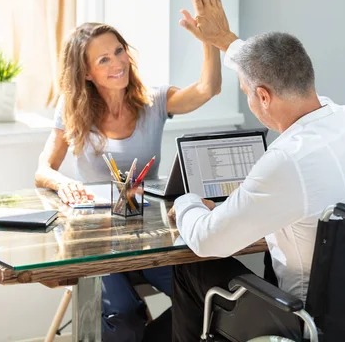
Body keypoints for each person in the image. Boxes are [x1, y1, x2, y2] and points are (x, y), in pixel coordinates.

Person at [170, 0, 345, 341]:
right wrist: (225, 39)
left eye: (247, 94)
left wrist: (186, 201)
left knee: (189, 268)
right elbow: (274, 70)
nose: (248, 100)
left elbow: (208, 240)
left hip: (310, 320)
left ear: (263, 96)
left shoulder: (286, 160)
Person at [35, 18, 221, 341]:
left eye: (119, 51)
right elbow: (44, 169)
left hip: (152, 235)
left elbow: (209, 88)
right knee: (122, 316)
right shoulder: (72, 108)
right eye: (103, 59)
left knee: (206, 301)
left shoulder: (153, 101)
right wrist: (62, 183)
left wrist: (209, 40)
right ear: (87, 73)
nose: (117, 62)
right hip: (96, 241)